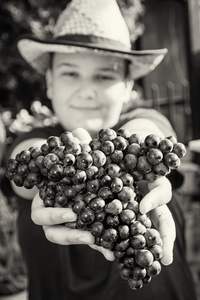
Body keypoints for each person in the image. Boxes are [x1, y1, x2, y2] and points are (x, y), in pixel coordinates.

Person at [5, 0, 197, 299]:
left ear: (127, 86)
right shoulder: (37, 139)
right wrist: (55, 174)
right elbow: (27, 169)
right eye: (70, 73)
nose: (87, 90)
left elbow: (148, 134)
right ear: (50, 83)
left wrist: (135, 148)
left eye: (104, 76)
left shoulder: (141, 123)